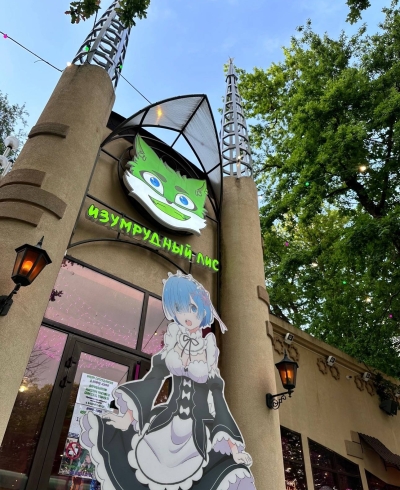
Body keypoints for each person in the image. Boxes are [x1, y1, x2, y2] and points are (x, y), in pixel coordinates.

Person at [80, 271, 256, 490]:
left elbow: (218, 401)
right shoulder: (173, 344)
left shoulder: (209, 349)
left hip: (198, 432)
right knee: (144, 470)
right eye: (180, 308)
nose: (187, 315)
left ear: (203, 309)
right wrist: (127, 418)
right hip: (165, 425)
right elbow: (153, 381)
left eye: (193, 308)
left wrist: (235, 449)